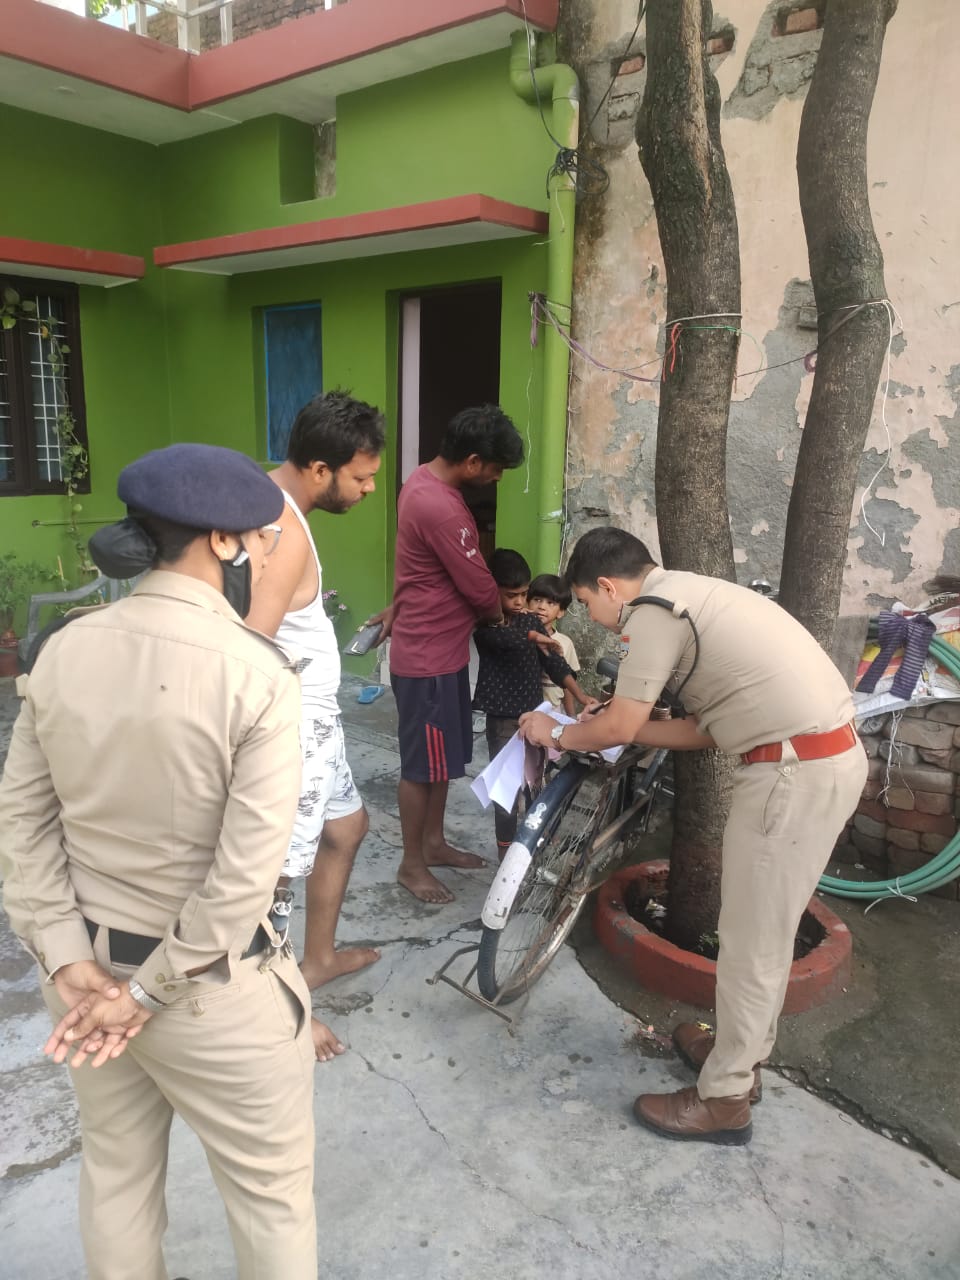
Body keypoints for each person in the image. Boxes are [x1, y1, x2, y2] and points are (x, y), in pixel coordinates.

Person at [0, 444, 318, 1280]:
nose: (269, 552)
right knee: (271, 1198)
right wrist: (143, 996)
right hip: (208, 993)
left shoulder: (63, 648)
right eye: (263, 537)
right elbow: (242, 878)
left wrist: (65, 958)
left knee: (116, 1174)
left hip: (85, 976)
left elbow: (23, 824)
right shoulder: (257, 675)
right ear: (223, 541)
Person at [518, 527, 867, 1146]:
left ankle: (725, 1099)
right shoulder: (691, 593)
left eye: (589, 604)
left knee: (752, 942)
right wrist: (621, 722)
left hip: (792, 775)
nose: (594, 620)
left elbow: (621, 726)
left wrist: (560, 734)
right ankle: (738, 1056)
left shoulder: (653, 612)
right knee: (759, 932)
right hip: (813, 761)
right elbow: (703, 730)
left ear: (608, 587)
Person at [245, 390, 385, 1063]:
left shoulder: (271, 499)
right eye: (362, 477)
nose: (369, 489)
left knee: (347, 828)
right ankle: (276, 1009)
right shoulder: (284, 531)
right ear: (321, 469)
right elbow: (247, 647)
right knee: (273, 877)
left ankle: (319, 958)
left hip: (319, 722)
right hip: (292, 727)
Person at [374, 405, 524, 903]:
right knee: (421, 768)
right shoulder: (440, 507)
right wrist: (501, 614)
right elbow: (479, 587)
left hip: (442, 652)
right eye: (497, 469)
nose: (497, 479)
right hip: (428, 661)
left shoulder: (421, 482)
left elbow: (419, 571)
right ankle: (411, 864)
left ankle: (434, 843)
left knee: (440, 762)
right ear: (473, 461)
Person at [473, 550, 597, 857]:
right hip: (503, 721)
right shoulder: (485, 625)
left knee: (535, 783)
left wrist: (580, 695)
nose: (520, 602)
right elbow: (506, 641)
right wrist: (534, 637)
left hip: (535, 717)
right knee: (505, 791)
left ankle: (532, 844)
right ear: (491, 590)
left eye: (523, 594)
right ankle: (506, 854)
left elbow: (555, 664)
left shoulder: (530, 621)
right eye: (511, 595)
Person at [527, 572, 582, 716]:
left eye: (550, 603)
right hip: (524, 710)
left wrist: (571, 716)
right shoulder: (520, 637)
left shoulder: (565, 643)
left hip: (553, 711)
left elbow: (567, 685)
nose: (541, 607)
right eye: (537, 600)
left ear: (561, 612)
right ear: (527, 602)